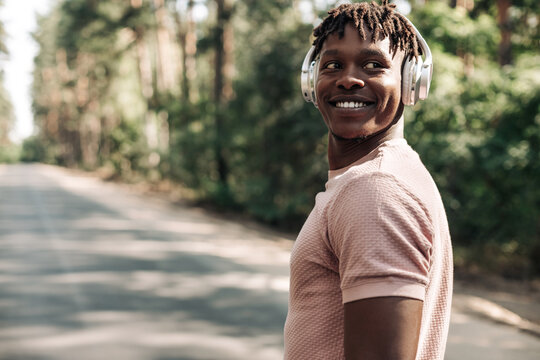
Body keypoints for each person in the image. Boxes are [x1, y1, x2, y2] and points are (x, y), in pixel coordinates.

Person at [284, 1, 453, 359]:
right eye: (332, 65)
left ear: (412, 82)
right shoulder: (391, 173)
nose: (348, 78)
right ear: (311, 82)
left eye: (374, 64)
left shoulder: (375, 190)